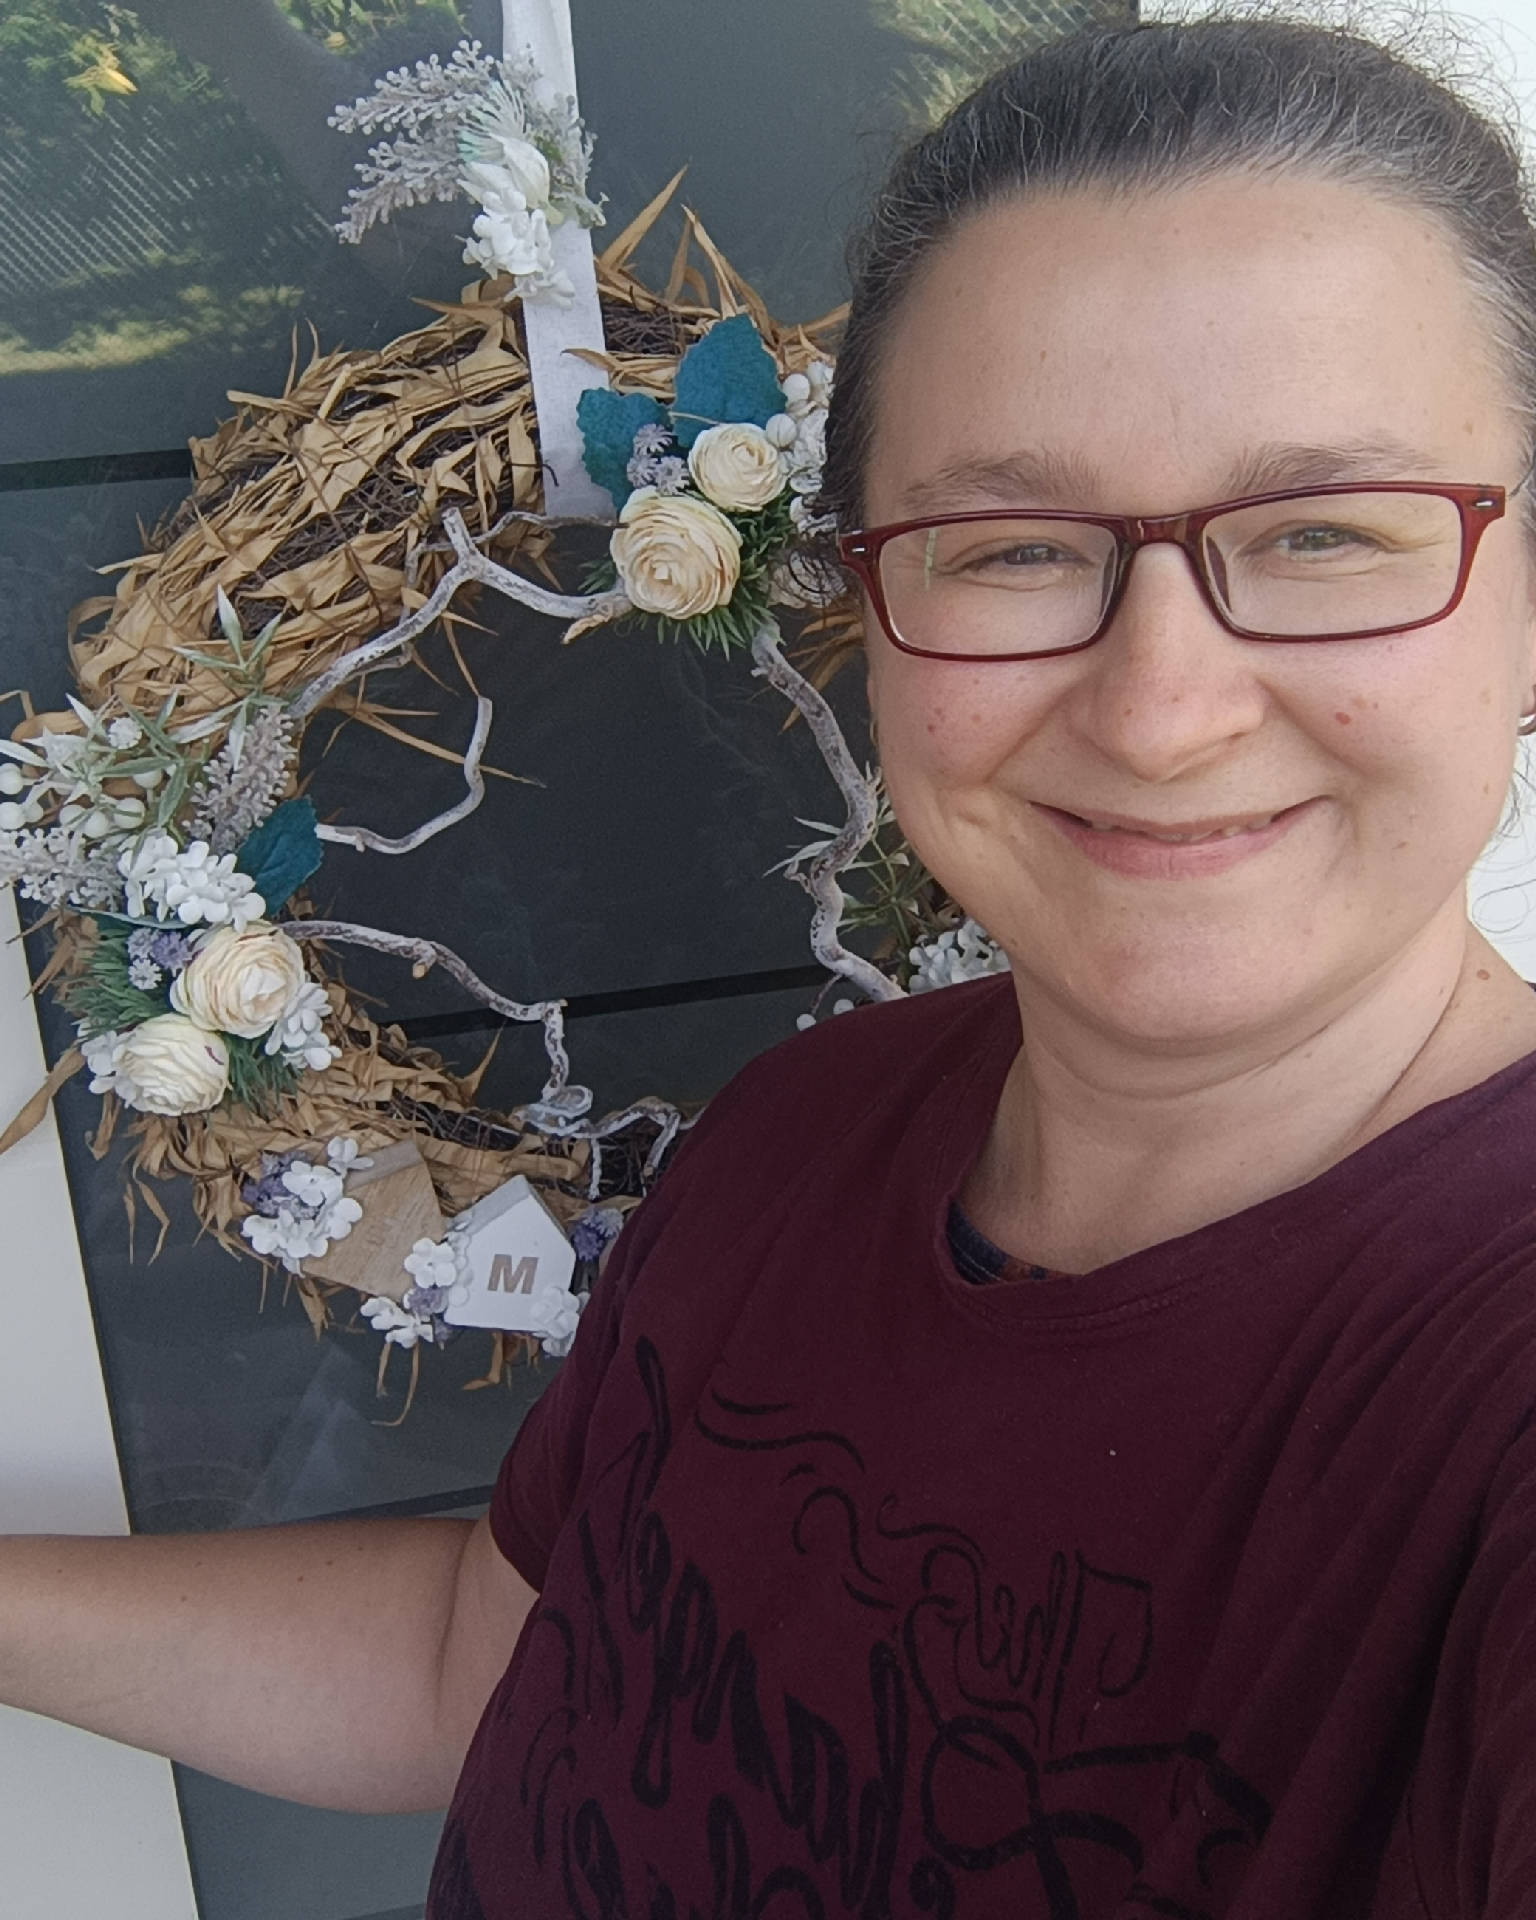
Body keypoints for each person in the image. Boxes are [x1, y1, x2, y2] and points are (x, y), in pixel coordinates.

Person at [7, 8, 1536, 1913]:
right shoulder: (804, 1129)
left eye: (1322, 534)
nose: (1162, 710)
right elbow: (483, 1662)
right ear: (869, 602)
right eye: (1011, 546)